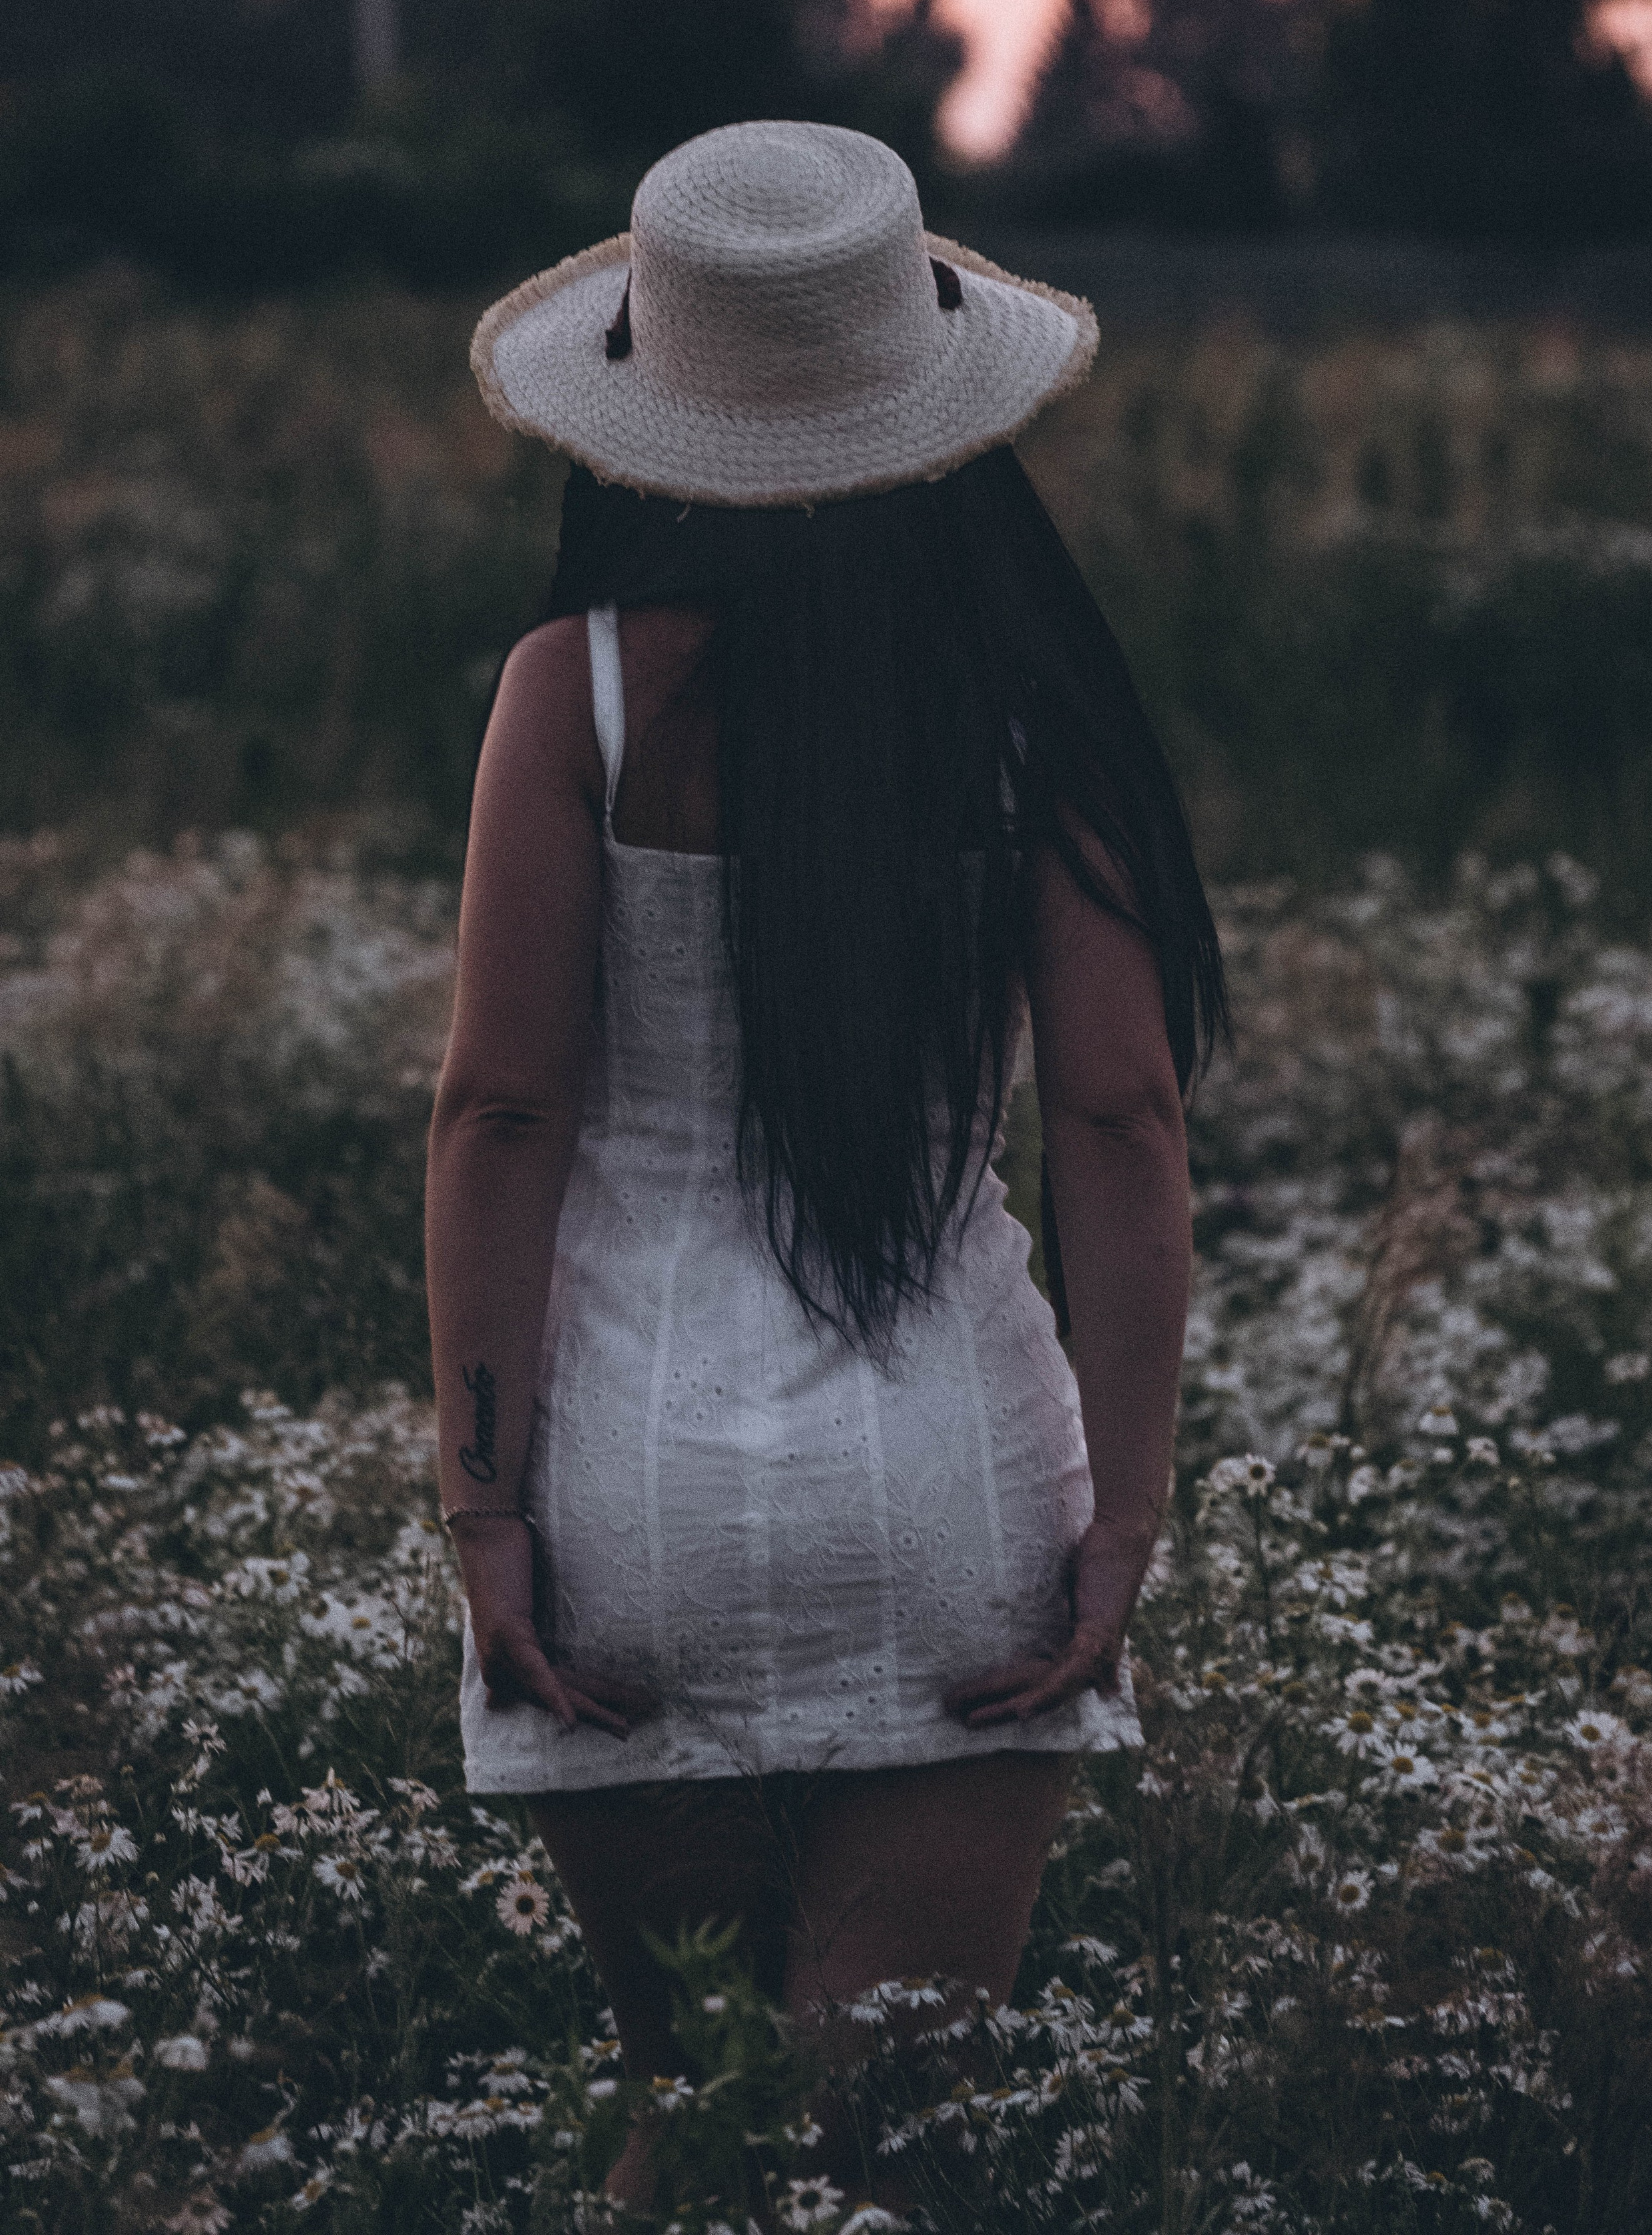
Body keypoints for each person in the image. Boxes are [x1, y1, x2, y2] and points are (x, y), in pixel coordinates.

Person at [427, 119, 1224, 2214]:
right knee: (896, 2159)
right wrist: (1122, 1522)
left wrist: (484, 1508)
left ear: (654, 403)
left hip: (635, 1486)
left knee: (695, 2136)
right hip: (950, 1484)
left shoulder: (575, 688)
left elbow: (500, 1112)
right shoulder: (1029, 714)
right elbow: (1122, 1123)